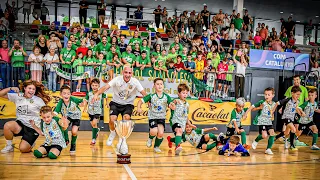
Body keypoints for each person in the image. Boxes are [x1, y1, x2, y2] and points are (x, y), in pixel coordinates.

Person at [92, 64, 146, 147]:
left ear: (132, 73)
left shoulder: (135, 82)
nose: (127, 75)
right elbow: (106, 87)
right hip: (116, 102)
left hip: (128, 104)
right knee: (112, 119)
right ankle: (113, 133)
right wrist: (96, 94)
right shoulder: (117, 79)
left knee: (126, 118)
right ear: (122, 72)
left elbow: (143, 93)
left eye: (129, 73)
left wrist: (149, 101)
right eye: (126, 72)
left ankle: (122, 138)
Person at [1, 80, 50, 153]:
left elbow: (47, 111)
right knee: (8, 125)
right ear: (25, 88)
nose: (31, 91)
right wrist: (10, 88)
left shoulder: (38, 100)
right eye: (29, 88)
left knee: (23, 149)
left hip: (32, 128)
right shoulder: (18, 96)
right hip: (20, 125)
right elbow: (1, 94)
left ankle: (31, 143)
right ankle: (9, 146)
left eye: (33, 89)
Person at [137, 78, 172, 153]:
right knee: (154, 131)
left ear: (163, 86)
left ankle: (156, 146)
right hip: (153, 117)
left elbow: (171, 104)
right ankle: (150, 138)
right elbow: (140, 101)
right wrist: (139, 107)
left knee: (161, 133)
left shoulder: (167, 97)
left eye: (161, 84)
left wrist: (172, 105)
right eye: (157, 84)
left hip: (161, 118)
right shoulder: (151, 96)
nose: (159, 86)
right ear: (154, 86)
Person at [245, 87, 277, 155]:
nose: (266, 96)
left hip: (269, 121)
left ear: (273, 95)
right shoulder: (262, 102)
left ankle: (268, 149)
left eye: (268, 95)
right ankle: (256, 140)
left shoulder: (274, 104)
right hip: (261, 121)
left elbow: (272, 111)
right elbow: (252, 108)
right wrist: (246, 114)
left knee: (272, 134)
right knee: (264, 136)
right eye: (265, 94)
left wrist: (272, 115)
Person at [54, 85, 84, 153]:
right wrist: (51, 115)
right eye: (64, 93)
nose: (66, 95)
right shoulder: (60, 102)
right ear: (60, 94)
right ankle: (66, 139)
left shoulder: (74, 99)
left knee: (74, 132)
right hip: (67, 117)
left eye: (68, 93)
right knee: (63, 124)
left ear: (70, 94)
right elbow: (56, 112)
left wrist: (83, 103)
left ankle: (73, 144)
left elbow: (83, 100)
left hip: (76, 117)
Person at [167, 83, 196, 155]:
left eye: (186, 93)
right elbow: (171, 104)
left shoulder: (187, 105)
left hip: (183, 123)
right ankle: (177, 147)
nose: (185, 95)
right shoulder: (176, 100)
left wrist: (189, 124)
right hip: (175, 121)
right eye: (183, 93)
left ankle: (170, 140)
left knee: (182, 138)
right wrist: (171, 105)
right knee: (179, 131)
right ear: (179, 93)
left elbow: (186, 116)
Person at [273, 86, 305, 150]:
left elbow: (296, 109)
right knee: (293, 129)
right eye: (297, 94)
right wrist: (272, 112)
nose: (298, 96)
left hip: (291, 118)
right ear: (292, 93)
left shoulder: (297, 101)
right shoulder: (287, 100)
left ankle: (276, 136)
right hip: (285, 117)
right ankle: (292, 145)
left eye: (299, 95)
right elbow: (277, 103)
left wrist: (301, 113)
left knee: (286, 133)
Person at [83, 78, 105, 145]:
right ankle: (97, 130)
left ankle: (93, 139)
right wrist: (84, 107)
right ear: (91, 86)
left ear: (98, 86)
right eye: (93, 85)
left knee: (95, 123)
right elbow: (86, 101)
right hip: (90, 111)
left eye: (96, 85)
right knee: (93, 124)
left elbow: (106, 97)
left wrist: (107, 103)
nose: (94, 87)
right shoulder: (89, 94)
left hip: (97, 111)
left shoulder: (101, 93)